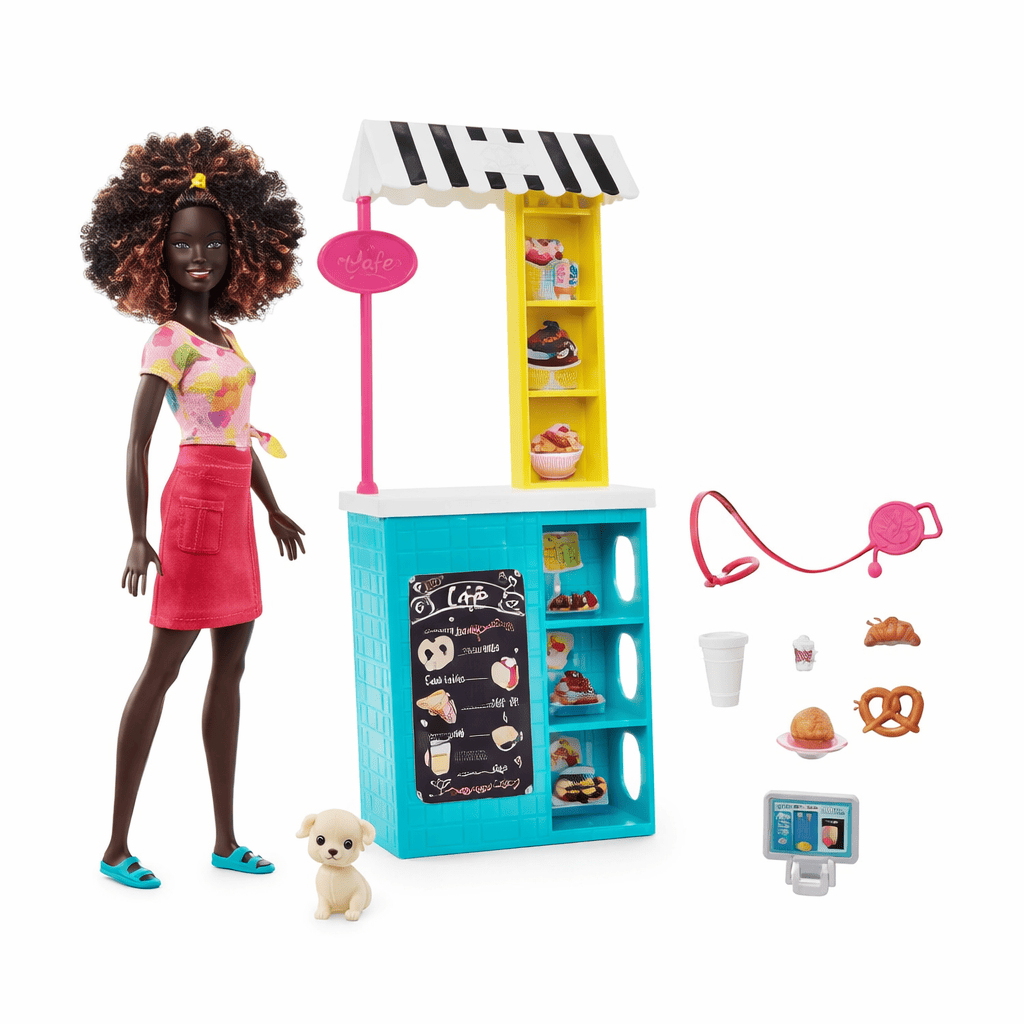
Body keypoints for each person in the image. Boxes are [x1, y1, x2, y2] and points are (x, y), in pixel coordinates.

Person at [81, 129, 306, 888]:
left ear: (239, 252)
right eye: (182, 244)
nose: (198, 256)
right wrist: (136, 535)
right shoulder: (168, 341)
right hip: (193, 514)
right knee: (161, 671)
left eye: (212, 243)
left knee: (232, 667)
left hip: (235, 513)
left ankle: (225, 839)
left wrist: (272, 507)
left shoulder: (227, 336)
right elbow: (137, 442)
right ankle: (116, 847)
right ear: (156, 253)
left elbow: (238, 435)